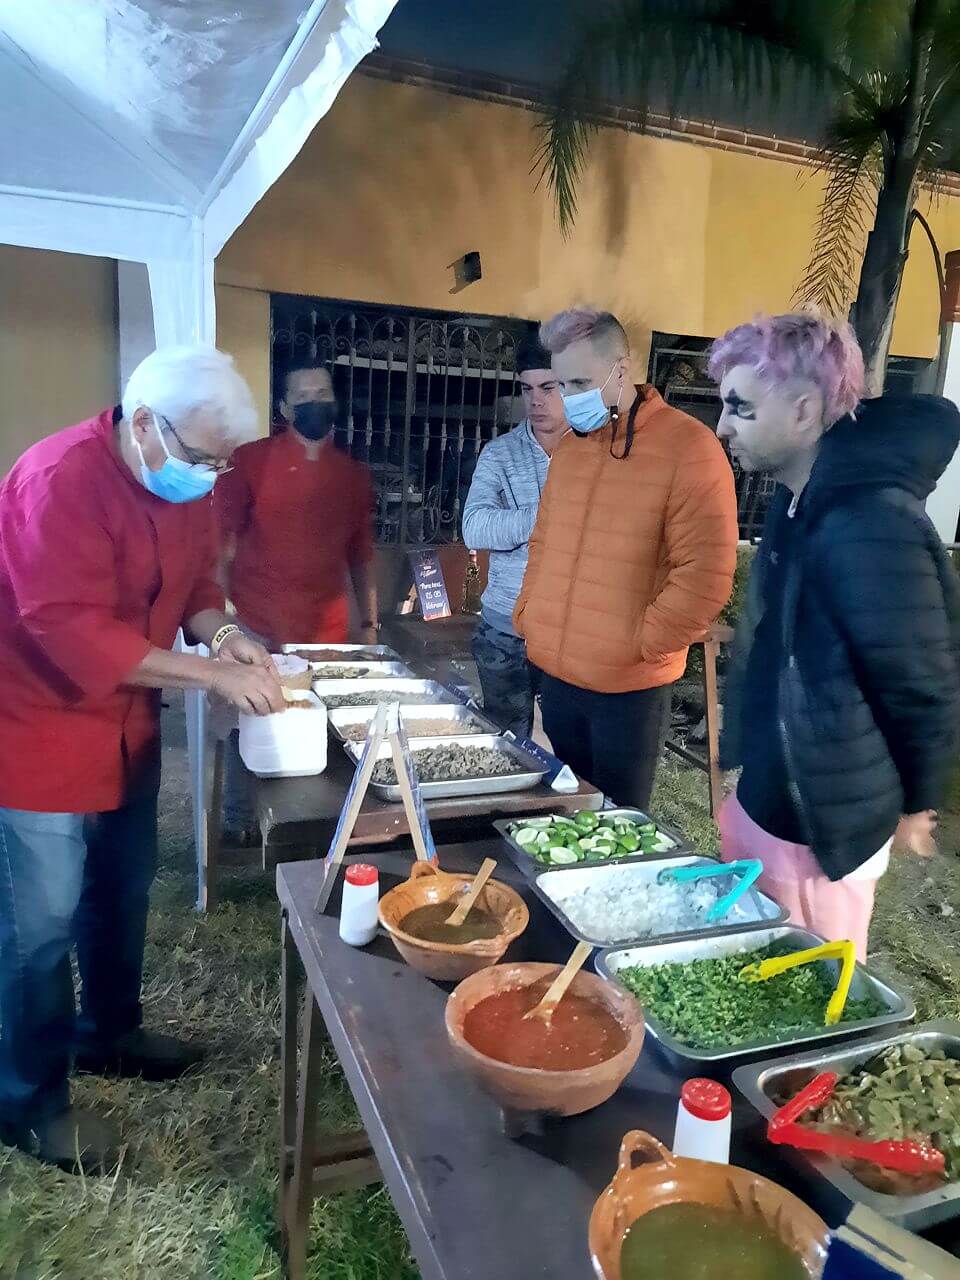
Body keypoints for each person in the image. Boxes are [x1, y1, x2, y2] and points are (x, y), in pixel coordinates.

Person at [0, 346, 285, 1174]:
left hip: (126, 725)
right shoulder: (57, 480)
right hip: (37, 730)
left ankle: (109, 1034)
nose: (213, 475)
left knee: (122, 890)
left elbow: (195, 586)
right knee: (38, 928)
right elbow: (70, 630)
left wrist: (226, 635)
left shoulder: (185, 478)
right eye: (204, 458)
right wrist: (213, 677)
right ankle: (27, 1102)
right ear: (146, 425)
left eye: (224, 463)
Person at [711, 312, 960, 960]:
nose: (722, 426)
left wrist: (918, 802)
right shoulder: (800, 499)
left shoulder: (870, 522)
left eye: (740, 407)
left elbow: (921, 683)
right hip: (771, 797)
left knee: (807, 993)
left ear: (802, 410)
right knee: (747, 968)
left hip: (820, 824)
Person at [514, 307, 738, 809]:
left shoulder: (689, 448)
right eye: (561, 384)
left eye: (579, 383)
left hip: (628, 690)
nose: (568, 397)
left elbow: (705, 574)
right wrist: (531, 616)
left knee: (618, 823)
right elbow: (544, 542)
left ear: (622, 370)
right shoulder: (571, 450)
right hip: (558, 677)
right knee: (563, 815)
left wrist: (642, 644)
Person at [215, 362, 377, 840]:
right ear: (285, 408)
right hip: (256, 621)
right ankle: (240, 822)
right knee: (250, 720)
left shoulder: (352, 475)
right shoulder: (250, 461)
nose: (314, 403)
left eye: (322, 393)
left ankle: (308, 824)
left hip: (326, 632)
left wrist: (370, 624)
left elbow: (362, 555)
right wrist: (220, 616)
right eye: (303, 396)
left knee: (319, 725)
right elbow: (221, 543)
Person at [462, 338, 566, 738]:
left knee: (571, 748)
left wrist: (510, 521)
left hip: (570, 629)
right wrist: (545, 517)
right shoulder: (500, 454)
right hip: (504, 625)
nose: (536, 401)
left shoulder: (594, 452)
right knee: (507, 746)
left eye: (548, 388)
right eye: (527, 389)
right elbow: (475, 527)